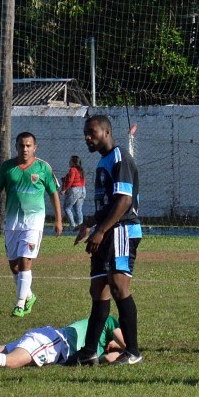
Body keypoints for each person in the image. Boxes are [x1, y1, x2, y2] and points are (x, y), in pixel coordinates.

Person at [73, 114, 143, 366]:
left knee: (118, 286)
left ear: (107, 132)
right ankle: (89, 351)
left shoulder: (119, 157)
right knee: (98, 288)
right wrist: (90, 223)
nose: (87, 138)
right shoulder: (104, 160)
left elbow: (124, 200)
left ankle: (133, 352)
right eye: (86, 134)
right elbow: (108, 203)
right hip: (107, 229)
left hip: (122, 229)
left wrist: (100, 231)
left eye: (92, 133)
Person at [0, 132, 63, 317]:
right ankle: (29, 296)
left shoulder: (43, 168)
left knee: (25, 261)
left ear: (35, 147)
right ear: (16, 147)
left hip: (34, 223)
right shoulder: (8, 167)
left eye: (28, 145)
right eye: (21, 145)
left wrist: (58, 219)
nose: (25, 149)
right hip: (12, 222)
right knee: (14, 266)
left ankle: (19, 304)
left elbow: (53, 193)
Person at [60, 155, 87, 230]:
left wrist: (65, 189)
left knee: (67, 208)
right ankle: (80, 225)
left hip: (74, 190)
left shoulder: (73, 169)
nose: (69, 162)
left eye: (70, 161)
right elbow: (84, 181)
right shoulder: (81, 170)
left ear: (74, 163)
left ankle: (72, 225)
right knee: (78, 209)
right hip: (82, 189)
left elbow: (70, 180)